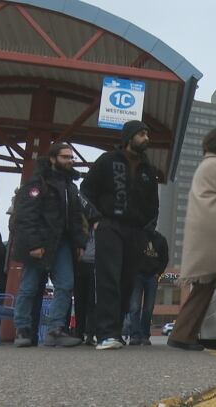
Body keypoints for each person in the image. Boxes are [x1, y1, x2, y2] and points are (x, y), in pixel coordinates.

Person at [80, 120, 160, 350]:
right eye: (142, 134)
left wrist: (148, 231)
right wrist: (95, 219)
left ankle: (115, 330)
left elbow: (154, 205)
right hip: (109, 225)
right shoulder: (107, 161)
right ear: (129, 137)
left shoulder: (148, 170)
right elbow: (84, 191)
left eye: (148, 134)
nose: (147, 138)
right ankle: (106, 334)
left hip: (136, 231)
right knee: (108, 278)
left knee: (127, 282)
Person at [168, 128, 216, 351]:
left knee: (205, 287)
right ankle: (182, 335)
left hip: (205, 234)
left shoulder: (205, 165)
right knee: (212, 285)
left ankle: (183, 334)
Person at [11, 143, 86, 347]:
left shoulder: (71, 187)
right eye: (65, 157)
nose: (70, 161)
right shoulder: (37, 183)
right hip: (40, 243)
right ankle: (23, 329)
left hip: (62, 243)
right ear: (53, 158)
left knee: (65, 284)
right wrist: (34, 244)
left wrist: (79, 243)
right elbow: (26, 216)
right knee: (29, 287)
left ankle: (55, 329)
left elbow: (76, 219)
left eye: (71, 158)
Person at [128, 230, 169, 346]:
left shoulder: (160, 240)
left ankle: (145, 335)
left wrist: (158, 273)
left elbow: (165, 259)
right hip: (137, 275)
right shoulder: (137, 236)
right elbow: (131, 253)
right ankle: (135, 335)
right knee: (135, 306)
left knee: (148, 308)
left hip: (152, 276)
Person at [73, 226, 97, 346]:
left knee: (92, 302)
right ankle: (78, 332)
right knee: (79, 301)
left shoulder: (100, 228)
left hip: (94, 265)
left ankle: (90, 334)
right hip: (80, 264)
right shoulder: (81, 226)